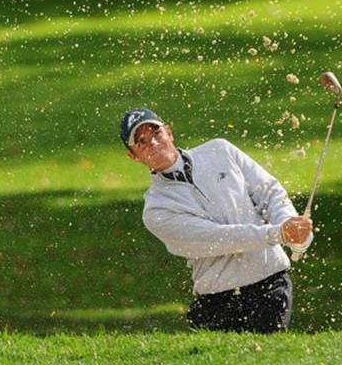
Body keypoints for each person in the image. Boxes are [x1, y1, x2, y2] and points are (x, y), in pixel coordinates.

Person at [120, 108, 313, 333]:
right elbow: (217, 239)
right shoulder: (156, 209)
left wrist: (293, 228)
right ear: (133, 156)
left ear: (169, 132)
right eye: (141, 142)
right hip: (217, 304)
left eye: (156, 132)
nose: (152, 142)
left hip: (269, 287)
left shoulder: (220, 151)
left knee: (266, 362)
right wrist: (278, 234)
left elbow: (269, 192)